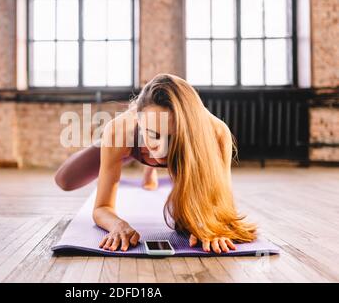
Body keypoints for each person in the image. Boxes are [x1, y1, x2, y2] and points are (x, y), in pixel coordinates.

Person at [54, 73, 257, 253]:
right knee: (65, 179)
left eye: (172, 138)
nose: (162, 150)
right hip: (128, 145)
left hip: (184, 150)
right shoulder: (120, 130)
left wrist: (210, 226)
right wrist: (117, 225)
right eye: (154, 134)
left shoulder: (217, 133)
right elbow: (102, 208)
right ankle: (143, 164)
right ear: (139, 121)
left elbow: (223, 204)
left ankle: (150, 164)